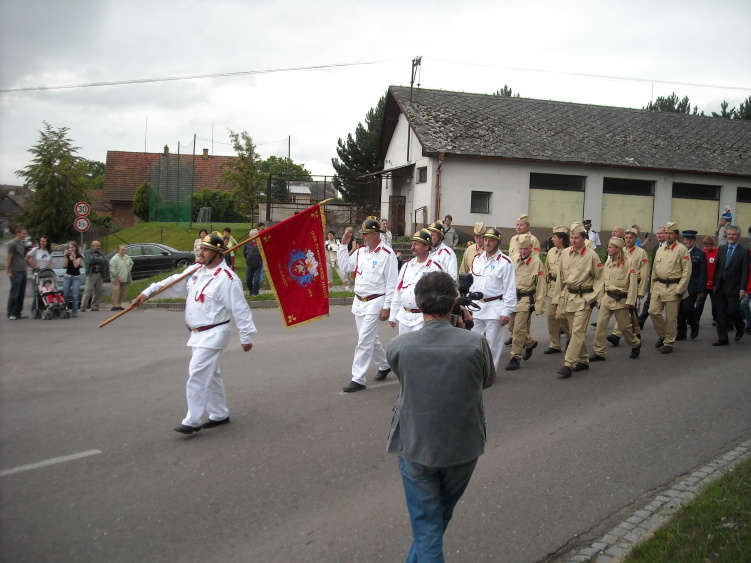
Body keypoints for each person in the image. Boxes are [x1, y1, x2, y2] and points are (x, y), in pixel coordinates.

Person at [386, 271, 495, 563]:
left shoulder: (398, 346)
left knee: (429, 526)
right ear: (453, 304)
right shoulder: (476, 344)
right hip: (462, 447)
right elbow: (486, 381)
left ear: (418, 303)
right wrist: (466, 328)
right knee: (434, 524)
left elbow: (405, 377)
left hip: (415, 445)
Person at [133, 234, 255, 434]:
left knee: (197, 372)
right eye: (201, 248)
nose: (201, 252)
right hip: (197, 334)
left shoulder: (228, 279)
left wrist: (246, 337)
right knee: (210, 375)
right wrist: (147, 293)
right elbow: (172, 282)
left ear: (217, 253)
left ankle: (192, 420)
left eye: (206, 249)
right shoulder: (196, 270)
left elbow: (240, 309)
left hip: (214, 332)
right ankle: (219, 413)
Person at [337, 217, 398, 392]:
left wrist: (387, 307)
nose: (363, 237)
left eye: (366, 234)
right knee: (369, 338)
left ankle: (358, 379)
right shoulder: (361, 252)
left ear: (375, 234)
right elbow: (345, 266)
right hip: (360, 301)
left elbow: (391, 283)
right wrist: (343, 245)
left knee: (364, 340)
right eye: (362, 234)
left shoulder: (387, 254)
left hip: (376, 301)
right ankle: (385, 365)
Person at [553, 222, 604, 378]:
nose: (573, 241)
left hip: (584, 298)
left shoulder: (591, 255)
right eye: (572, 238)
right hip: (569, 297)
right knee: (571, 330)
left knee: (577, 330)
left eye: (576, 238)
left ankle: (568, 363)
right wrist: (556, 297)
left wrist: (593, 297)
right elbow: (560, 277)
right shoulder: (565, 253)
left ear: (583, 238)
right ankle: (583, 359)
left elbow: (600, 278)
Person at [468, 227, 517, 372]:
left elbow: (510, 289)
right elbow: (471, 284)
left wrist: (506, 312)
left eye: (491, 240)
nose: (487, 243)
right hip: (476, 307)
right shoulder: (477, 259)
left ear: (498, 242)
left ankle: (490, 372)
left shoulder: (505, 262)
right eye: (485, 239)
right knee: (473, 341)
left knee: (492, 344)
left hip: (495, 307)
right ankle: (475, 371)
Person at [589, 238, 641, 361]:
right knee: (600, 325)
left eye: (610, 247)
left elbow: (633, 284)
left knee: (624, 327)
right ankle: (599, 351)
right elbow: (603, 282)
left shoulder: (629, 263)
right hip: (607, 298)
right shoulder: (608, 262)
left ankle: (635, 343)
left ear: (618, 249)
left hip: (621, 300)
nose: (607, 249)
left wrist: (630, 301)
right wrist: (600, 299)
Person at [389, 229, 444, 334]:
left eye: (416, 244)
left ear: (426, 246)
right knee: (404, 344)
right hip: (404, 316)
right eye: (412, 244)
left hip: (422, 318)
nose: (412, 247)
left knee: (419, 344)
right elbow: (398, 291)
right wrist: (393, 315)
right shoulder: (406, 266)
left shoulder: (435, 268)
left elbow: (439, 296)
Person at [648, 222, 691, 354]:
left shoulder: (682, 249)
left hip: (673, 286)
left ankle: (669, 342)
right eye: (666, 233)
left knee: (671, 317)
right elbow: (655, 269)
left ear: (676, 235)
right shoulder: (661, 249)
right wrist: (652, 287)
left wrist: (680, 289)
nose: (668, 235)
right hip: (659, 285)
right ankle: (663, 335)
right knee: (653, 311)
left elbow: (687, 271)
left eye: (670, 233)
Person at [505, 234, 546, 371]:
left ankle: (515, 357)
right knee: (510, 326)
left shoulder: (537, 263)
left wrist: (539, 304)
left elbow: (541, 285)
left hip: (526, 299)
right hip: (513, 298)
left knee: (518, 329)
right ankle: (530, 343)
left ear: (531, 248)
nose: (523, 252)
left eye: (525, 249)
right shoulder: (513, 259)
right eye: (521, 249)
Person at [608, 226, 650, 345]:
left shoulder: (641, 253)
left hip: (635, 284)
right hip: (622, 285)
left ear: (635, 239)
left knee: (625, 309)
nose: (628, 240)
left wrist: (642, 290)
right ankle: (636, 330)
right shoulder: (621, 251)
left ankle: (616, 334)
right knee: (629, 310)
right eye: (626, 237)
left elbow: (644, 272)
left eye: (631, 238)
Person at [711, 225, 749, 346]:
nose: (730, 236)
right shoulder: (722, 249)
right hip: (721, 286)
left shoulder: (744, 252)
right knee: (720, 313)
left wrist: (742, 289)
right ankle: (723, 338)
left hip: (734, 287)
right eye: (729, 234)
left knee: (732, 311)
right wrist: (714, 284)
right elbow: (717, 268)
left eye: (733, 234)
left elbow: (745, 272)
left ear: (738, 236)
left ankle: (740, 325)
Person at [543, 225, 570, 355]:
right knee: (551, 317)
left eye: (554, 237)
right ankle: (555, 344)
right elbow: (546, 270)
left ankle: (572, 339)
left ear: (561, 238)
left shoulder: (570, 252)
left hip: (565, 288)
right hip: (552, 287)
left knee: (562, 315)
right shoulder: (551, 252)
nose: (552, 239)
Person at [676, 230, 707, 341]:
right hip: (679, 285)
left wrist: (701, 289)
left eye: (690, 240)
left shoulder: (700, 253)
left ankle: (694, 324)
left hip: (692, 286)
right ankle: (681, 332)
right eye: (686, 239)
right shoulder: (679, 251)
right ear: (683, 240)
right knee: (679, 310)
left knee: (687, 308)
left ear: (694, 241)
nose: (688, 242)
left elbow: (703, 273)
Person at [637, 226, 668, 328]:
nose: (659, 235)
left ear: (666, 234)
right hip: (655, 279)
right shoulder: (656, 247)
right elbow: (654, 265)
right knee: (649, 300)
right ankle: (640, 321)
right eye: (657, 233)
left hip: (667, 281)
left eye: (661, 233)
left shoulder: (670, 247)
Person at [25, 235, 53, 314]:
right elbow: (27, 259)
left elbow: (50, 260)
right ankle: (34, 309)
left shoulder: (48, 251)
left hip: (45, 273)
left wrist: (49, 264)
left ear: (47, 242)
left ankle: (43, 308)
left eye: (44, 241)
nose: (42, 243)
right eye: (41, 241)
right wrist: (33, 266)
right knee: (37, 293)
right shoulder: (36, 250)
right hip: (37, 273)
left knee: (45, 292)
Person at [6, 226, 29, 320]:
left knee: (21, 293)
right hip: (16, 271)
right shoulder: (12, 244)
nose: (25, 235)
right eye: (23, 233)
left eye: (25, 233)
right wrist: (8, 271)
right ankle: (11, 313)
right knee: (15, 293)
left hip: (23, 271)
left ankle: (18, 312)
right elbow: (8, 258)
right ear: (18, 233)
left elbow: (23, 256)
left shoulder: (22, 243)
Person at [696, 236, 719, 325]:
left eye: (708, 246)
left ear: (713, 245)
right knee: (699, 302)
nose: (707, 248)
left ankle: (716, 319)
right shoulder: (702, 252)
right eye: (705, 246)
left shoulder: (717, 253)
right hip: (704, 284)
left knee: (715, 303)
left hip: (713, 284)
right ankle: (695, 319)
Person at [80, 240, 107, 312]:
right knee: (88, 290)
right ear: (92, 246)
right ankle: (83, 306)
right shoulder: (88, 252)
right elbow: (89, 261)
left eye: (99, 245)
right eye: (97, 246)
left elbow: (104, 261)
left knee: (98, 290)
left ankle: (95, 306)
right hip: (91, 273)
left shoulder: (101, 253)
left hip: (99, 273)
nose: (98, 247)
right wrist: (99, 259)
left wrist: (96, 259)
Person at [62, 241, 84, 317]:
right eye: (69, 247)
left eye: (72, 247)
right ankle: (65, 310)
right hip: (67, 276)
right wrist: (65, 256)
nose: (71, 249)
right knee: (65, 294)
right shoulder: (68, 255)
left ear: (75, 248)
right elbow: (65, 265)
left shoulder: (79, 256)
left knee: (75, 296)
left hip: (76, 277)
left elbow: (76, 265)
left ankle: (74, 312)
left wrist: (73, 257)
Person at [109, 245, 133, 311]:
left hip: (124, 277)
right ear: (118, 250)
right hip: (116, 278)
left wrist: (128, 270)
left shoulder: (127, 257)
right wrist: (115, 277)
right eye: (122, 250)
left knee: (122, 292)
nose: (123, 251)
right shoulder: (115, 258)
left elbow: (131, 263)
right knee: (116, 291)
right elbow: (112, 268)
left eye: (124, 249)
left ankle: (119, 304)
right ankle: (114, 305)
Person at [244, 229, 262, 296]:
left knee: (256, 280)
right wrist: (248, 260)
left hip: (258, 264)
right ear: (251, 236)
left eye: (257, 234)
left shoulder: (260, 243)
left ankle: (255, 293)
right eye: (255, 234)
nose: (256, 235)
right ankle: (251, 291)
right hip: (249, 264)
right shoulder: (247, 244)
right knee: (248, 279)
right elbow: (245, 253)